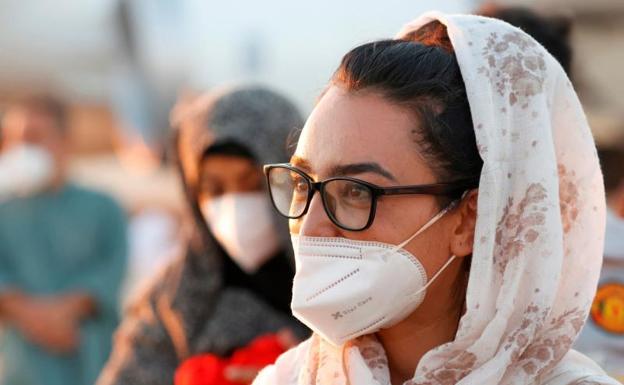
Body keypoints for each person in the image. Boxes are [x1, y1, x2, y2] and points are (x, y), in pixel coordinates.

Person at [253, 12, 621, 385]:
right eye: (303, 184)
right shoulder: (289, 378)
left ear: (468, 220)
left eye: (355, 192)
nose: (313, 225)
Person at [97, 86, 309, 385]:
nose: (235, 205)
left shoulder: (340, 286)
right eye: (215, 190)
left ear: (296, 178)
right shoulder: (172, 298)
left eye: (253, 185)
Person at [0, 96, 128, 385]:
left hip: (92, 361)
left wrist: (64, 313)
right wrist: (35, 318)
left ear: (65, 142)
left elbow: (111, 268)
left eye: (34, 138)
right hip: (22, 365)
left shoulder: (103, 206)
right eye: (13, 140)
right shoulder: (3, 210)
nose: (22, 150)